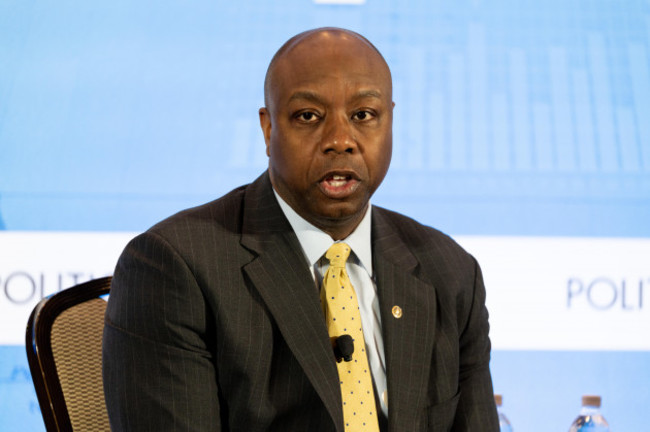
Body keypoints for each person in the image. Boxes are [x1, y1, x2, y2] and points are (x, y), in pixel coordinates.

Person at [103, 27, 499, 431]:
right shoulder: (174, 267)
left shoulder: (449, 272)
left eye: (363, 116)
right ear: (269, 129)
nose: (341, 140)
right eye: (309, 116)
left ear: (390, 121)